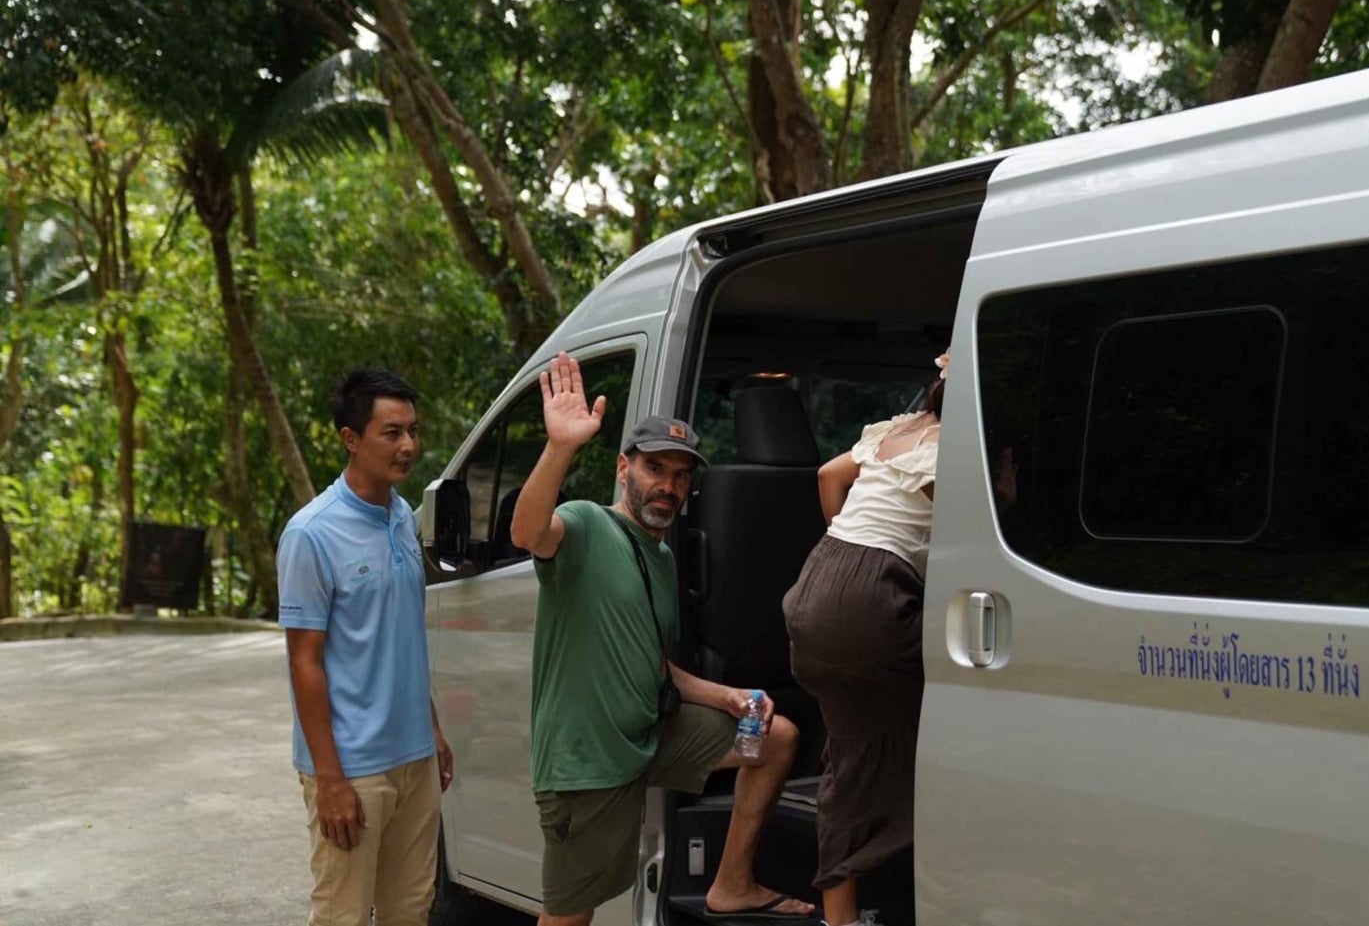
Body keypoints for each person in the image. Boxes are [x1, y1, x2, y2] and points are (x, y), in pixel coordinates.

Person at [509, 351, 817, 926]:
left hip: (649, 739)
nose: (668, 486)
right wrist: (560, 447)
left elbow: (655, 667)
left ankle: (731, 884)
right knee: (570, 917)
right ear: (624, 469)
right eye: (655, 469)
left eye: (681, 475)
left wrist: (729, 696)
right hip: (588, 763)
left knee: (776, 738)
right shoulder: (586, 525)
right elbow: (528, 532)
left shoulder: (663, 556)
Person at [782, 350, 964, 926]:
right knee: (940, 729)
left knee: (855, 747)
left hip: (819, 579)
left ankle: (843, 911)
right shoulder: (959, 449)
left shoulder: (900, 430)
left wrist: (848, 552)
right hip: (870, 600)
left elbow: (827, 476)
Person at [278, 368, 454, 926]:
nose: (408, 446)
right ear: (350, 439)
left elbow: (402, 638)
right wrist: (329, 779)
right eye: (391, 433)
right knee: (344, 915)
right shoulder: (311, 534)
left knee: (410, 911)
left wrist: (432, 729)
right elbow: (304, 662)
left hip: (414, 757)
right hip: (352, 767)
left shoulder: (402, 517)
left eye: (413, 431)